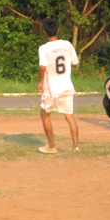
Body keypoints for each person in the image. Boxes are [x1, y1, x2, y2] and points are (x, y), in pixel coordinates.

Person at [37, 18, 80, 153]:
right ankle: (75, 146)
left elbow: (43, 66)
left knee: (45, 115)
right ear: (58, 30)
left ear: (45, 32)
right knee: (69, 116)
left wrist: (39, 81)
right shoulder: (67, 44)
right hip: (67, 86)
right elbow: (74, 62)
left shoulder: (44, 48)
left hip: (52, 89)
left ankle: (51, 146)